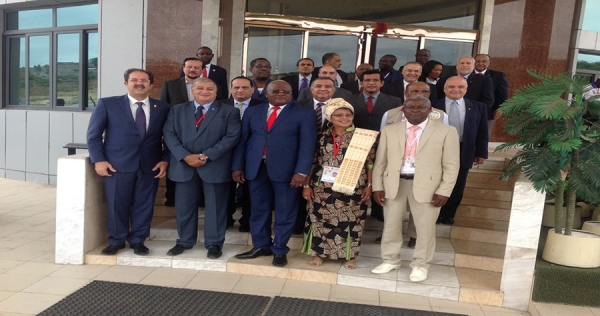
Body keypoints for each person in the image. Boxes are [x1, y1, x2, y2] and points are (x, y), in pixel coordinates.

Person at [371, 95, 460, 282]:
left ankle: (420, 264)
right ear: (403, 109)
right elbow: (381, 162)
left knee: (425, 228)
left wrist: (444, 190)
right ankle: (390, 259)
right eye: (410, 107)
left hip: (428, 185)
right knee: (391, 224)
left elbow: (452, 165)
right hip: (394, 183)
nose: (415, 110)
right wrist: (377, 186)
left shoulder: (447, 131)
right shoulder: (389, 130)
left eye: (421, 107)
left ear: (430, 110)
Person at [232, 80, 316, 267]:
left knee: (285, 212)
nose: (280, 94)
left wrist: (301, 172)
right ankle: (261, 246)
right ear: (266, 94)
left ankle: (279, 249)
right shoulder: (253, 112)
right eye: (275, 91)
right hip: (256, 169)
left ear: (291, 93)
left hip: (287, 172)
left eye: (285, 91)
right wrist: (237, 166)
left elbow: (307, 145)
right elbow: (243, 140)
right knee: (258, 210)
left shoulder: (304, 113)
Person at [87, 68, 170, 256]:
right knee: (117, 204)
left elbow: (171, 137)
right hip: (116, 165)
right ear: (126, 83)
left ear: (151, 84)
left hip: (150, 166)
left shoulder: (163, 107)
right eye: (134, 80)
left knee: (145, 204)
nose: (139, 83)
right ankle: (116, 240)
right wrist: (99, 160)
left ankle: (138, 240)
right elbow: (93, 136)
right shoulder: (108, 104)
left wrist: (165, 160)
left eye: (144, 80)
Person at [162, 78, 241, 258]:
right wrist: (185, 156)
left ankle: (214, 244)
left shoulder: (230, 111)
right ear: (193, 90)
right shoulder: (177, 110)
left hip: (214, 166)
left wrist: (206, 155)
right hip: (184, 166)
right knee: (184, 207)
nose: (204, 91)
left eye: (209, 89)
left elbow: (231, 137)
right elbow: (169, 134)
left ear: (216, 92)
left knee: (215, 208)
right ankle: (184, 241)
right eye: (200, 88)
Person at [301, 98, 377, 269]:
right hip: (323, 187)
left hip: (353, 186)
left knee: (352, 221)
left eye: (348, 115)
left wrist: (369, 185)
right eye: (339, 115)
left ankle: (349, 255)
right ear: (330, 117)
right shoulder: (322, 136)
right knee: (320, 220)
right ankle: (319, 253)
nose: (344, 118)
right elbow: (313, 162)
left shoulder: (363, 136)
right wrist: (307, 185)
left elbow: (370, 163)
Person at [380, 81, 449, 248]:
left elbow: (444, 148)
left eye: (425, 91)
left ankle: (414, 235)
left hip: (425, 175)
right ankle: (390, 253)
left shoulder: (440, 116)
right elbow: (382, 145)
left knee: (421, 215)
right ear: (406, 92)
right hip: (397, 174)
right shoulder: (390, 114)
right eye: (414, 91)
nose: (420, 94)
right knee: (393, 217)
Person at [345, 69, 402, 223]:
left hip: (383, 146)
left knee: (381, 178)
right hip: (355, 147)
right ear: (361, 83)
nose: (371, 83)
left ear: (382, 83)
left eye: (375, 80)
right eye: (367, 80)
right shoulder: (349, 100)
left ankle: (379, 211)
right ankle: (355, 210)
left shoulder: (394, 101)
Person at [433, 76, 488, 224]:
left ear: (466, 89)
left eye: (460, 87)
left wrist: (481, 153)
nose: (455, 90)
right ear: (444, 89)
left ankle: (448, 214)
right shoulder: (433, 106)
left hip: (464, 149)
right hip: (437, 149)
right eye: (451, 87)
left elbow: (482, 131)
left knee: (458, 184)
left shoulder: (478, 107)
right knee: (435, 182)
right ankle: (434, 213)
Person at [294, 77, 337, 234]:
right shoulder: (297, 106)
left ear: (334, 90)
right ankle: (298, 225)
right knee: (298, 194)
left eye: (328, 86)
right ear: (311, 89)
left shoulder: (343, 108)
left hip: (330, 158)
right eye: (318, 86)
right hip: (300, 155)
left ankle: (322, 228)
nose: (323, 89)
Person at [160, 57, 205, 207]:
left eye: (196, 67)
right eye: (189, 67)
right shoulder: (170, 85)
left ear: (202, 70)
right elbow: (164, 108)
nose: (192, 70)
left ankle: (200, 199)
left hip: (203, 132)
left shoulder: (210, 86)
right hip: (177, 133)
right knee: (176, 164)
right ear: (183, 68)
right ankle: (171, 197)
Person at [220, 76, 263, 232]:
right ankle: (225, 219)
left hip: (251, 155)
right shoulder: (219, 105)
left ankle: (247, 221)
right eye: (236, 87)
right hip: (223, 154)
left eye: (245, 87)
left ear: (252, 89)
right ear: (231, 89)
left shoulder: (262, 106)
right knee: (225, 190)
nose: (240, 90)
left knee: (250, 190)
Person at [474, 54, 508, 136]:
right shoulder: (467, 75)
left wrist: (501, 108)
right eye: (478, 61)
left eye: (484, 61)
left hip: (488, 112)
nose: (480, 63)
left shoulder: (498, 76)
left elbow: (502, 93)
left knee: (483, 136)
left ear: (489, 63)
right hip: (470, 110)